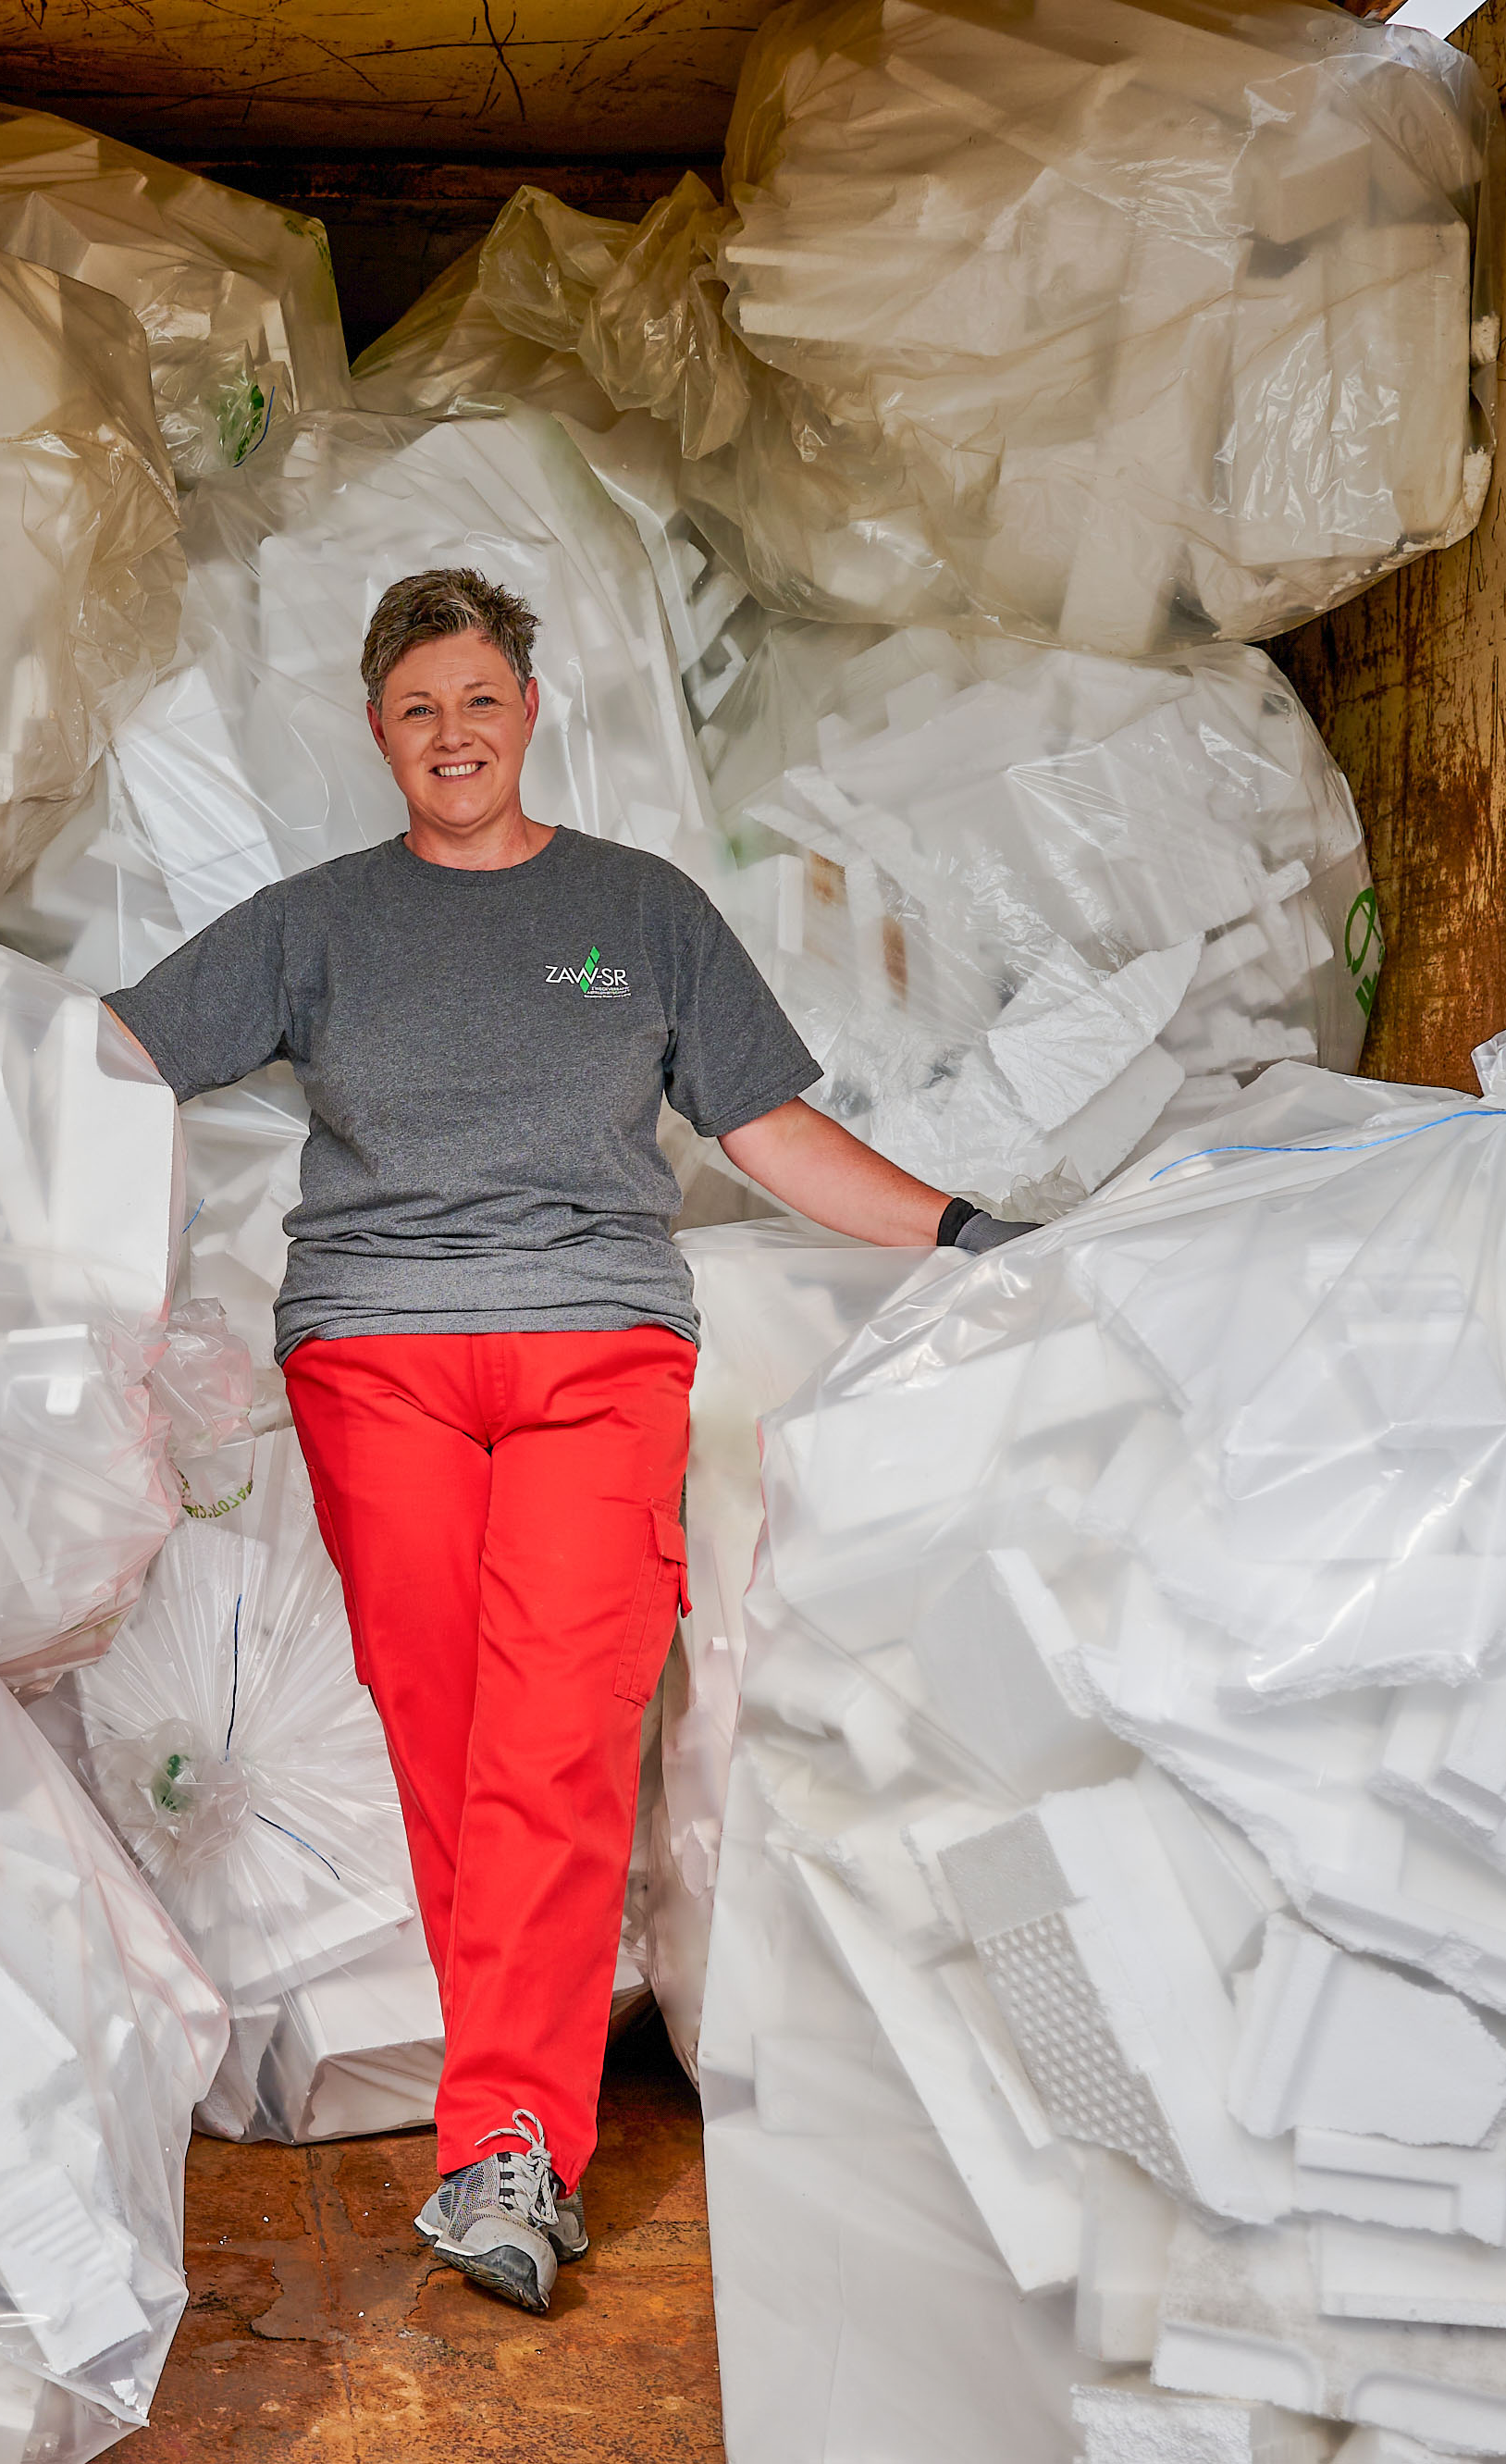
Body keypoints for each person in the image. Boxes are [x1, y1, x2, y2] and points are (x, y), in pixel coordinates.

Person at [103, 568, 1031, 2314]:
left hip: (600, 1352)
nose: (452, 735)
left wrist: (966, 1231)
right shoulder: (314, 922)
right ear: (378, 736)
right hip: (375, 1357)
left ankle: (504, 2150)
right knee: (457, 1738)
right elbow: (116, 1056)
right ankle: (508, 2135)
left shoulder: (636, 912)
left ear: (530, 712)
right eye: (414, 711)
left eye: (478, 699)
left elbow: (766, 1128)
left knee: (556, 1731)